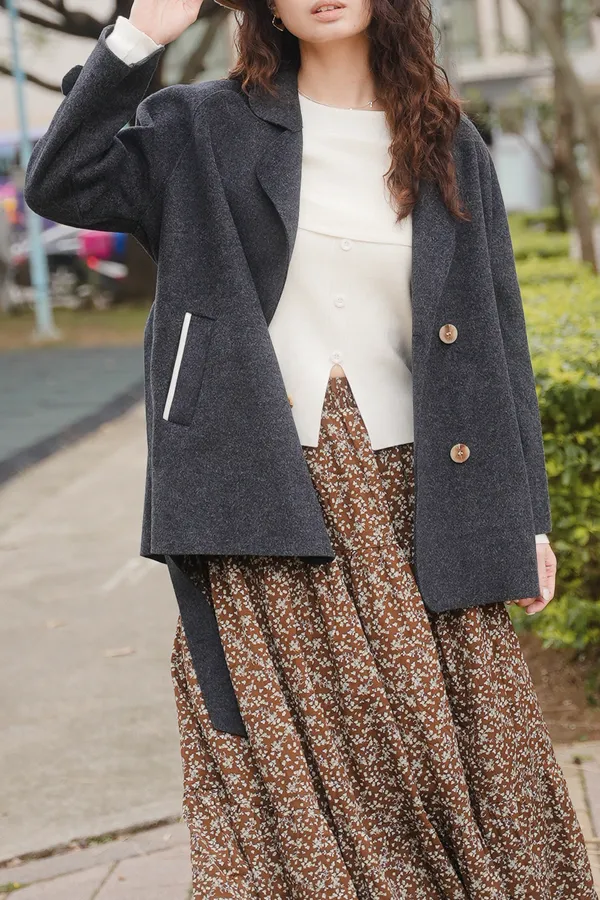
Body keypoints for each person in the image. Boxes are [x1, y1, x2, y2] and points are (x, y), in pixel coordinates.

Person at [24, 0, 595, 895]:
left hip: (422, 500)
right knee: (302, 754)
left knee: (457, 747)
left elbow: (498, 335)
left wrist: (525, 517)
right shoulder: (203, 127)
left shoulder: (448, 143)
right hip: (260, 490)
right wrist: (137, 39)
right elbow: (63, 180)